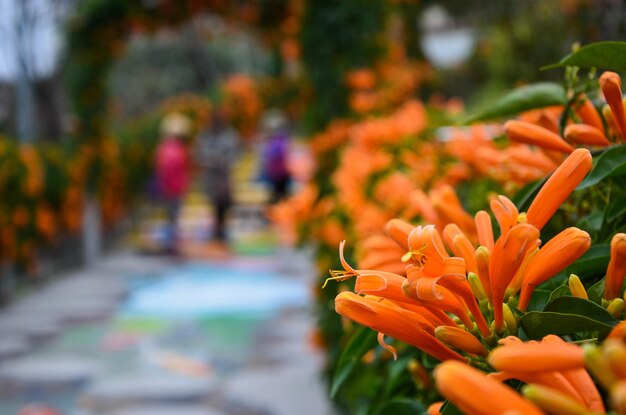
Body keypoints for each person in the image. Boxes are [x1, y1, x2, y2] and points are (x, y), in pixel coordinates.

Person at [196, 109, 239, 249]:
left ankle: (222, 230)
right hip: (212, 177)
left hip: (225, 176)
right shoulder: (205, 137)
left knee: (225, 204)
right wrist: (215, 160)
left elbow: (234, 156)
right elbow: (200, 156)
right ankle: (217, 231)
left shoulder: (230, 136)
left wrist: (222, 162)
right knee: (214, 204)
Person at [154, 112, 192, 254]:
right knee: (172, 218)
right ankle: (170, 245)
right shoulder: (175, 150)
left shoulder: (163, 148)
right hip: (173, 189)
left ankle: (170, 244)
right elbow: (169, 170)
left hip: (170, 188)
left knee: (171, 217)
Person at [260, 110, 292, 204]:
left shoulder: (279, 141)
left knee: (280, 193)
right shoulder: (279, 140)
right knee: (279, 193)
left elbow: (274, 154)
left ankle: (280, 208)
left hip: (280, 172)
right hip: (276, 172)